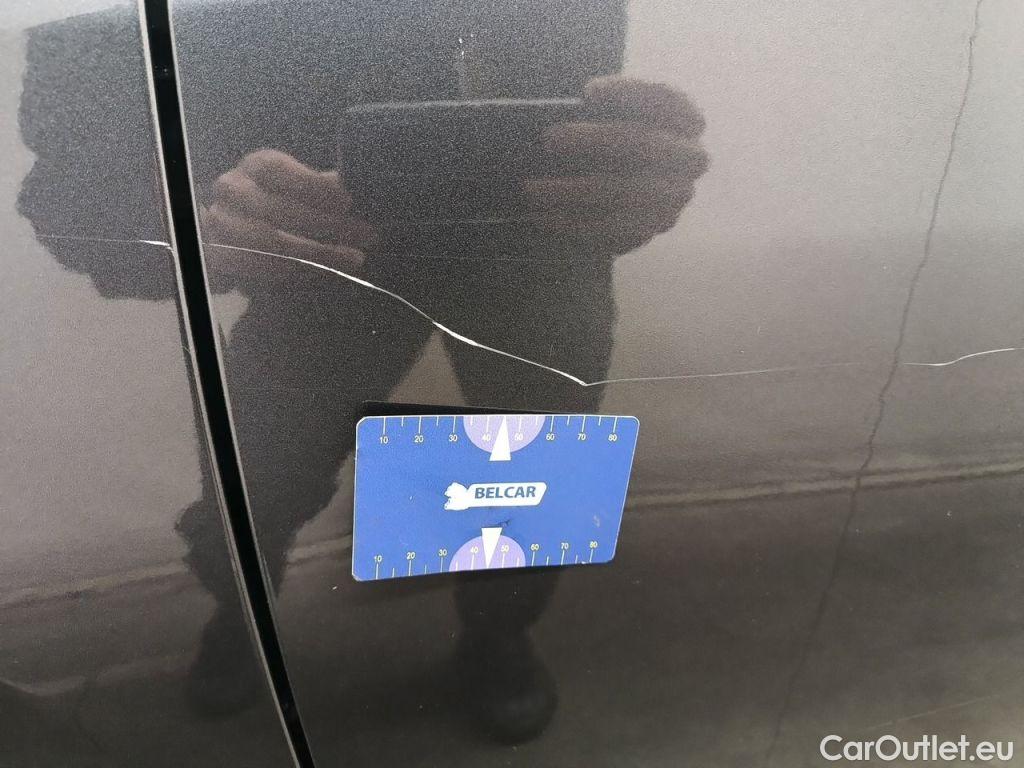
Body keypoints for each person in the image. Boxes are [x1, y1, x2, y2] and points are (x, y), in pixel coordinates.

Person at [21, 0, 707, 745]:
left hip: (524, 248)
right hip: (317, 251)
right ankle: (247, 610)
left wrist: (632, 172)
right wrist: (191, 212)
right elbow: (70, 176)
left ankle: (494, 630)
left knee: (529, 481)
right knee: (256, 485)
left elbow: (582, 81)